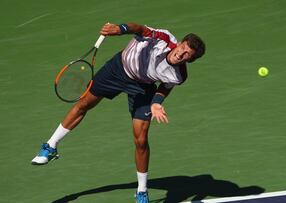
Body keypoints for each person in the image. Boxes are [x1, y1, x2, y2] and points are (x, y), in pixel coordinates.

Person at [31, 22, 205, 203]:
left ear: (189, 60)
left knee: (141, 138)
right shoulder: (163, 38)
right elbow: (139, 29)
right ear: (180, 43)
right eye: (183, 47)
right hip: (117, 70)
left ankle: (142, 191)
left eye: (187, 55)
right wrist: (120, 29)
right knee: (84, 105)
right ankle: (51, 146)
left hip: (142, 87)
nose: (181, 53)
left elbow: (165, 87)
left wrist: (156, 103)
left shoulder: (179, 75)